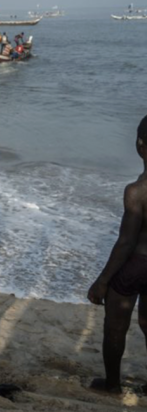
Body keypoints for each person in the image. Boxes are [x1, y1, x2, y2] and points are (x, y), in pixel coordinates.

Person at [87, 115, 147, 395]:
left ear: (140, 145)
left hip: (136, 265)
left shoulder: (137, 191)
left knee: (115, 325)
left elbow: (126, 242)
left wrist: (102, 281)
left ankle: (112, 384)